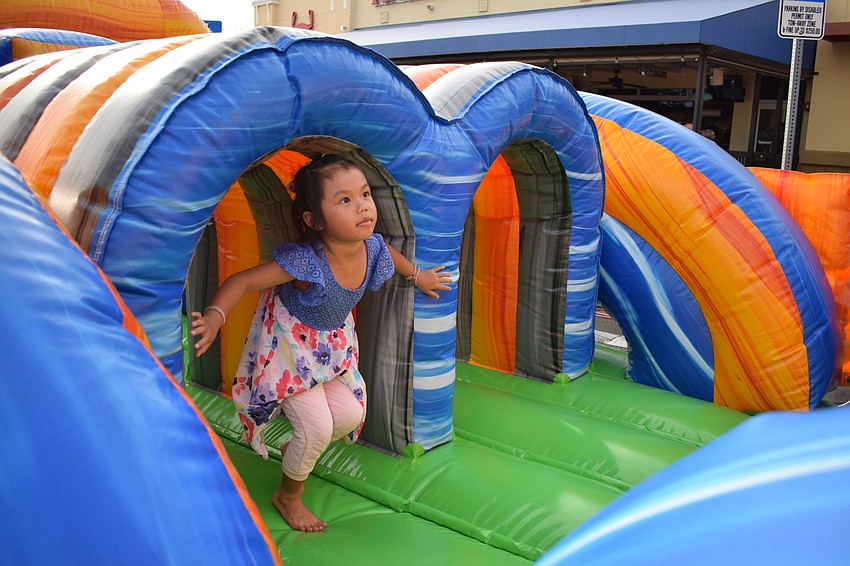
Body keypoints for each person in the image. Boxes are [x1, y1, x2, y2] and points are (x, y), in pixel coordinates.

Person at [190, 155, 451, 532]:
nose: (363, 205)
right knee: (316, 429)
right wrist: (215, 316)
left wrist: (418, 276)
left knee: (349, 416)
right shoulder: (306, 262)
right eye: (344, 200)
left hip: (331, 349)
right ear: (315, 220)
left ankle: (294, 453)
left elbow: (390, 255)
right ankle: (288, 495)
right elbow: (244, 281)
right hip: (290, 351)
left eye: (364, 194)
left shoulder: (371, 247)